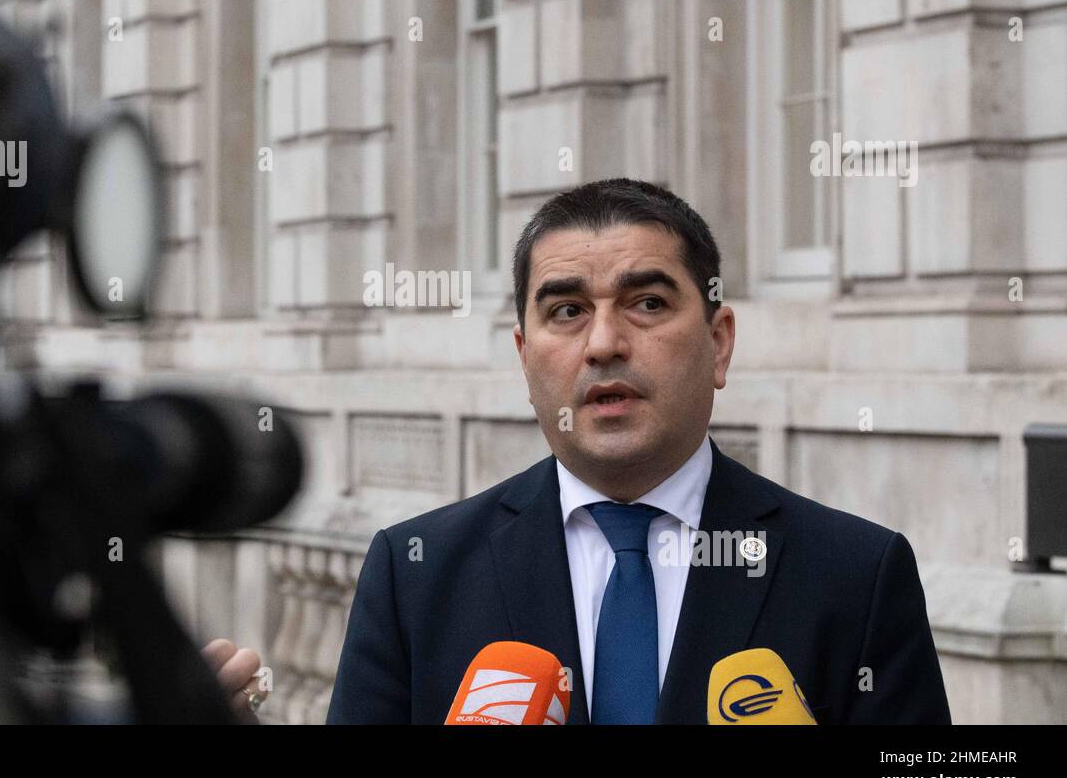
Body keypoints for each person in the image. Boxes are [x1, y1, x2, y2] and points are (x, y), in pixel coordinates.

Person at [326, 178, 950, 724]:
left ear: (719, 342)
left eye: (647, 304)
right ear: (523, 355)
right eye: (567, 310)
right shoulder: (413, 573)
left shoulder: (856, 574)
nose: (603, 344)